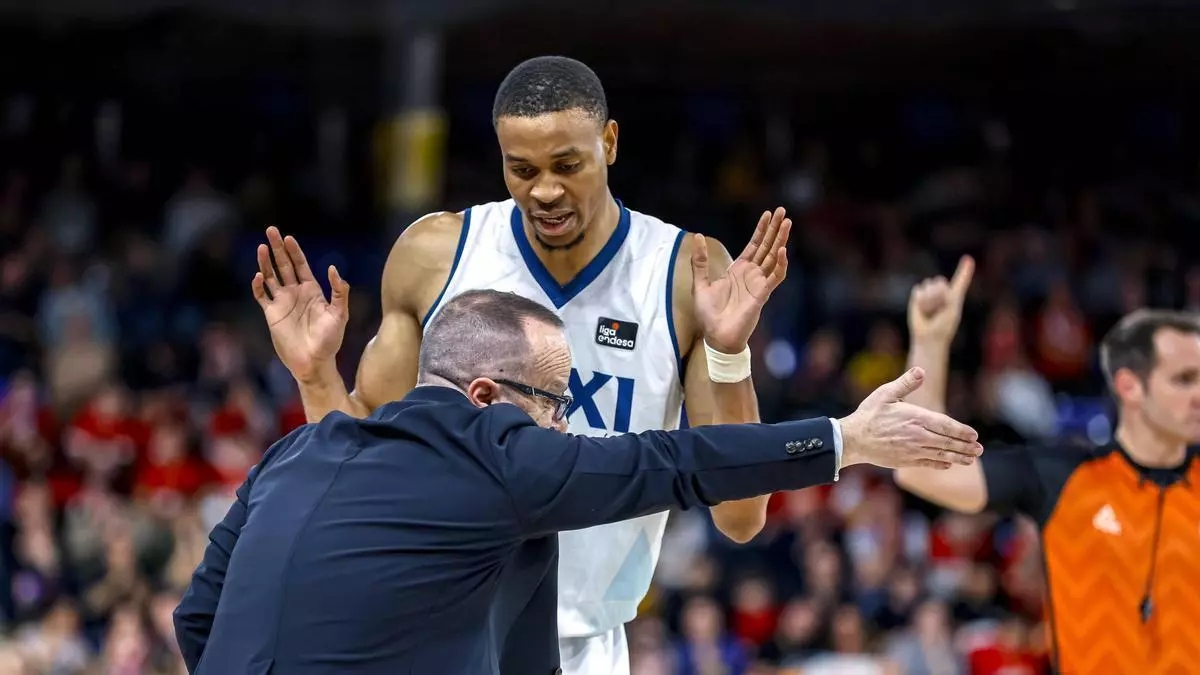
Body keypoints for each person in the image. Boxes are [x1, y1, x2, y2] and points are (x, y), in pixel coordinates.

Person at [176, 234, 982, 673]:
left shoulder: (293, 451)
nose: (562, 424)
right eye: (553, 401)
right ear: (485, 394)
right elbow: (676, 461)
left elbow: (197, 615)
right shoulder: (497, 458)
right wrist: (846, 438)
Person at [255, 55, 802, 674]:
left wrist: (728, 353)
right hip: (433, 631)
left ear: (609, 143)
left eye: (567, 166)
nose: (544, 191)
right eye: (523, 169)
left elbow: (740, 517)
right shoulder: (436, 256)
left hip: (585, 645)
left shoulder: (681, 273)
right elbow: (357, 470)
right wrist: (315, 373)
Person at [894, 256, 1200, 674]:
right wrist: (930, 343)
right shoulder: (1063, 474)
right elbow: (920, 471)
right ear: (1131, 386)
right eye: (1183, 379)